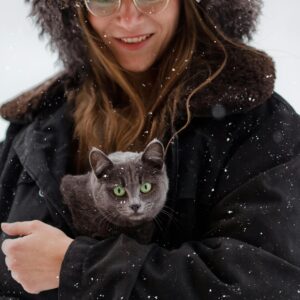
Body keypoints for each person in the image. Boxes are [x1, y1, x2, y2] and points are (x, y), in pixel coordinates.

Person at [0, 0, 299, 299]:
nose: (129, 19)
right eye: (104, 0)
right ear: (73, 10)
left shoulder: (255, 123)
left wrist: (78, 266)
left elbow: (265, 281)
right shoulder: (37, 126)